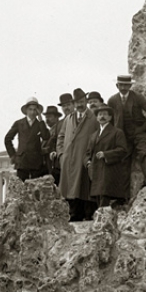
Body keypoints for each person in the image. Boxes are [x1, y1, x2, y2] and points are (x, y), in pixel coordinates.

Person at [108, 74, 146, 189]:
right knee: (122, 161)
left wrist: (144, 128)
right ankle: (121, 195)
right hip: (123, 136)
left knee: (144, 152)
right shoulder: (112, 100)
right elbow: (110, 121)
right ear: (117, 85)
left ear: (130, 86)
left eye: (126, 85)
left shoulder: (138, 97)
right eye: (121, 85)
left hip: (139, 132)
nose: (123, 88)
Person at [57, 88, 98, 221]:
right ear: (73, 104)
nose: (79, 105)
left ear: (85, 101)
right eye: (77, 102)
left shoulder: (94, 118)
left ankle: (88, 214)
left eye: (81, 101)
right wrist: (61, 154)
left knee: (85, 186)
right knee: (70, 188)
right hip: (69, 158)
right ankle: (74, 214)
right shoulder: (68, 119)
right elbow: (61, 136)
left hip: (85, 157)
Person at [85, 103, 129, 207]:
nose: (102, 117)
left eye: (105, 114)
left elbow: (123, 150)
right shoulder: (93, 136)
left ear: (110, 117)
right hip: (95, 171)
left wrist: (106, 154)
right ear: (96, 118)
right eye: (100, 114)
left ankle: (102, 220)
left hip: (110, 171)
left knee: (105, 199)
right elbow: (87, 153)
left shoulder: (117, 132)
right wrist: (87, 162)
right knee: (98, 197)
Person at [4, 97, 50, 181]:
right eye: (30, 109)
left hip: (36, 163)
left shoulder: (39, 124)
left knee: (36, 190)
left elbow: (46, 136)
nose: (32, 112)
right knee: (21, 189)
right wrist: (13, 156)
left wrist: (41, 121)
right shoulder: (19, 123)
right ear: (26, 110)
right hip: (22, 162)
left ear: (38, 111)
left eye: (34, 110)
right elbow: (7, 139)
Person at [41, 105, 62, 185]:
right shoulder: (49, 131)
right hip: (48, 167)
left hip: (55, 166)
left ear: (56, 117)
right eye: (46, 117)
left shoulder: (59, 130)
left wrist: (41, 150)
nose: (47, 119)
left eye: (49, 117)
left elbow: (52, 147)